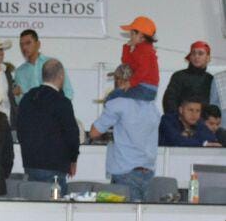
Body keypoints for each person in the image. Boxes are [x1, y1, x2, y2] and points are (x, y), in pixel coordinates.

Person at [88, 65, 160, 201]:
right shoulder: (152, 106)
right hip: (148, 171)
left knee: (125, 218)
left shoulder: (118, 103)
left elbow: (94, 132)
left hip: (125, 172)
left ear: (121, 82)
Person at [16, 59, 80, 195]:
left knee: (34, 210)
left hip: (30, 164)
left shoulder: (27, 98)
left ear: (42, 75)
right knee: (55, 212)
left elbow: (20, 128)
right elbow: (72, 135)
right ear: (61, 76)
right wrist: (73, 159)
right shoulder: (62, 102)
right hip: (55, 167)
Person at [14, 29, 74, 101]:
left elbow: (68, 92)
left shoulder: (53, 64)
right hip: (32, 111)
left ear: (38, 44)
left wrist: (59, 108)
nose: (24, 48)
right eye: (21, 45)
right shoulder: (19, 72)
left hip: (54, 110)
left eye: (28, 43)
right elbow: (20, 101)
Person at [111, 16, 159, 102]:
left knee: (113, 97)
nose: (130, 36)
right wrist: (127, 47)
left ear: (141, 36)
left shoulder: (144, 50)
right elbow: (126, 63)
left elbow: (143, 70)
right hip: (143, 87)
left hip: (145, 88)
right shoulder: (140, 49)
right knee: (115, 96)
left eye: (132, 34)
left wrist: (130, 83)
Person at [162, 41, 212, 113]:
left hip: (203, 122)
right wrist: (177, 121)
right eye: (193, 53)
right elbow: (169, 101)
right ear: (190, 57)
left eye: (200, 53)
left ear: (208, 58)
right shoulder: (179, 76)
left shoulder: (210, 79)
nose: (196, 56)